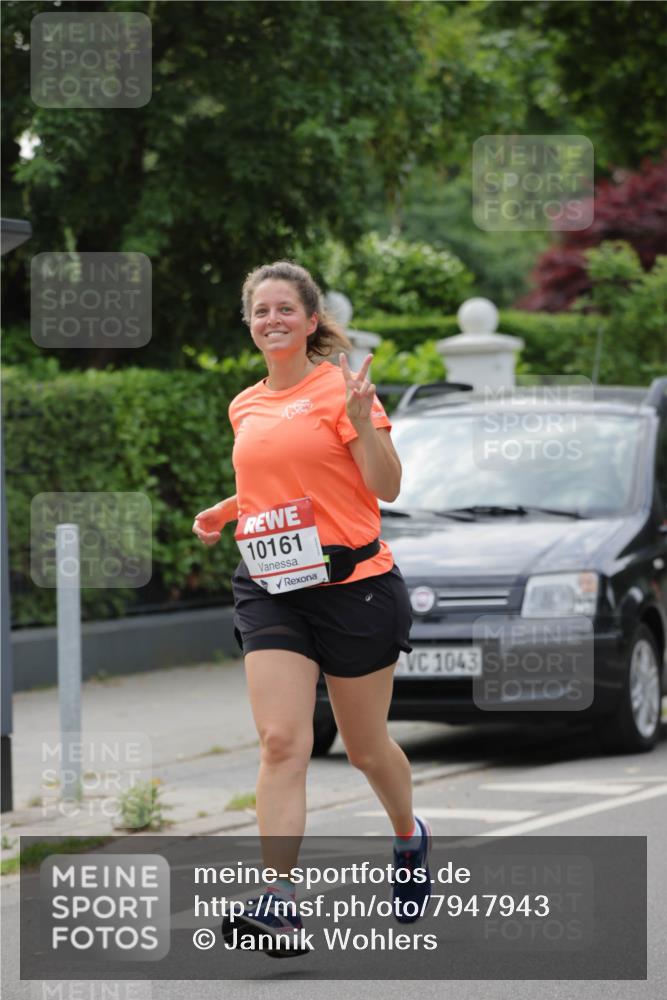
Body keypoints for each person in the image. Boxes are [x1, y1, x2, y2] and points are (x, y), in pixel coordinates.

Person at [192, 261, 431, 957]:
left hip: (353, 589)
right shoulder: (244, 404)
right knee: (281, 742)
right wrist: (229, 507)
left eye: (283, 310)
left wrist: (364, 422)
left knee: (364, 749)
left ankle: (407, 834)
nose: (271, 320)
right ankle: (280, 900)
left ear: (308, 319)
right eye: (259, 310)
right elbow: (281, 479)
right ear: (249, 322)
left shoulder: (340, 390)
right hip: (270, 587)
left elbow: (383, 486)